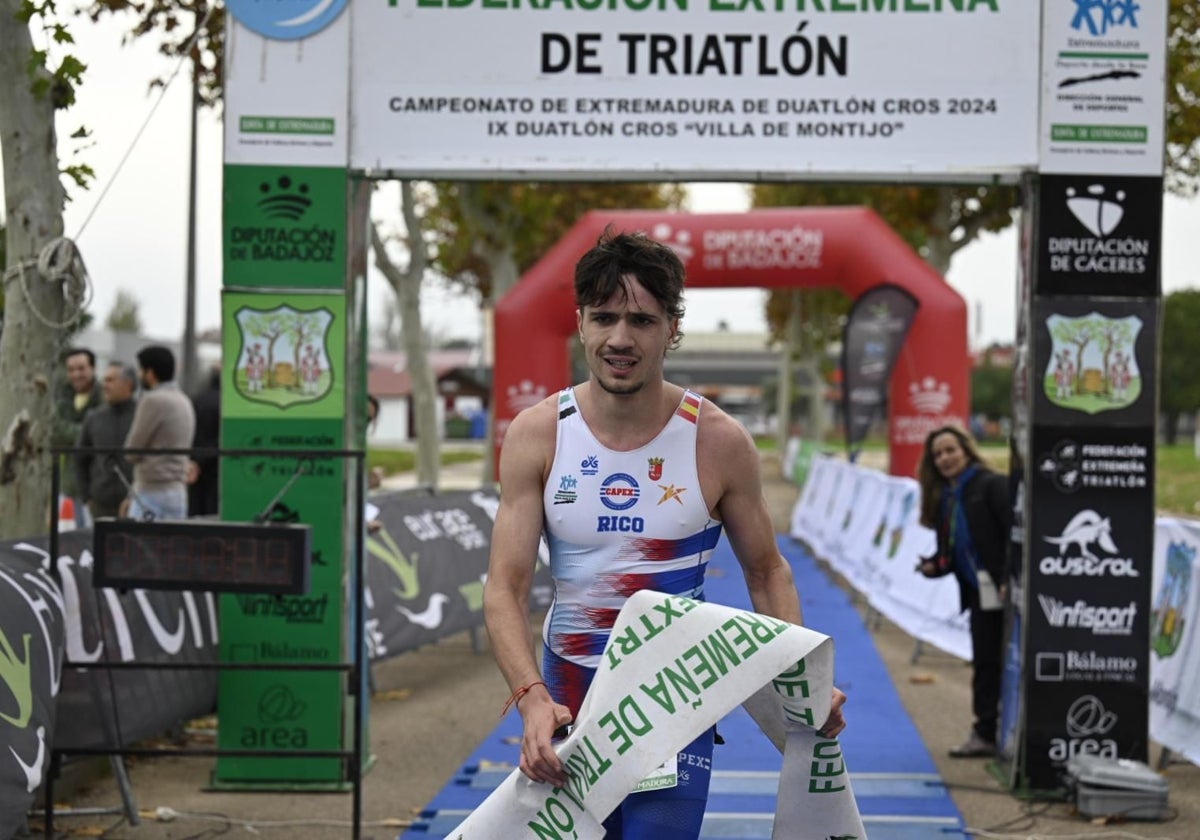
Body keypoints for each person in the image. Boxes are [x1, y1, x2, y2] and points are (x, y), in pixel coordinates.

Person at [482, 228, 847, 837]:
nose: (620, 339)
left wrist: (805, 679)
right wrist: (531, 699)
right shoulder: (539, 433)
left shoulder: (719, 440)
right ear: (580, 322)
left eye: (642, 321)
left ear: (672, 328)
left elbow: (766, 570)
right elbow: (506, 587)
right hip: (567, 692)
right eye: (604, 318)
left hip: (672, 698)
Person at [916, 424, 1010, 759]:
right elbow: (953, 551)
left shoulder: (992, 485)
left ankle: (1013, 733)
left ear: (967, 451)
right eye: (938, 454)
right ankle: (986, 732)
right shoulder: (947, 499)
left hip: (1009, 592)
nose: (944, 459)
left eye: (950, 450)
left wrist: (1008, 577)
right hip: (978, 595)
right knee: (985, 663)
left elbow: (1017, 535)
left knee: (1007, 663)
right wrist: (934, 566)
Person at [123, 345, 196, 520]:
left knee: (139, 546)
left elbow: (132, 451)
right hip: (178, 490)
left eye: (141, 370)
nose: (140, 375)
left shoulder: (153, 401)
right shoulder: (184, 400)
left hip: (152, 491)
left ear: (150, 373)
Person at [74, 362, 139, 519]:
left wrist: (134, 496)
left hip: (136, 504)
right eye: (104, 380)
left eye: (111, 380)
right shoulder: (94, 417)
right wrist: (86, 497)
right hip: (100, 505)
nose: (105, 385)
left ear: (128, 384)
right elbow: (80, 458)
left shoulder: (142, 416)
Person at [55, 347, 103, 527]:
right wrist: (85, 433)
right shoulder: (61, 397)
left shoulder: (105, 397)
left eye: (81, 368)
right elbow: (55, 432)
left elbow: (100, 435)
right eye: (71, 369)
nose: (76, 374)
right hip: (68, 486)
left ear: (93, 368)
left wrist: (73, 433)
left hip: (95, 490)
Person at [187, 364, 222, 517]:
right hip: (216, 466)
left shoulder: (196, 400)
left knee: (196, 513)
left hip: (195, 467)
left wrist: (194, 461)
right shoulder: (225, 403)